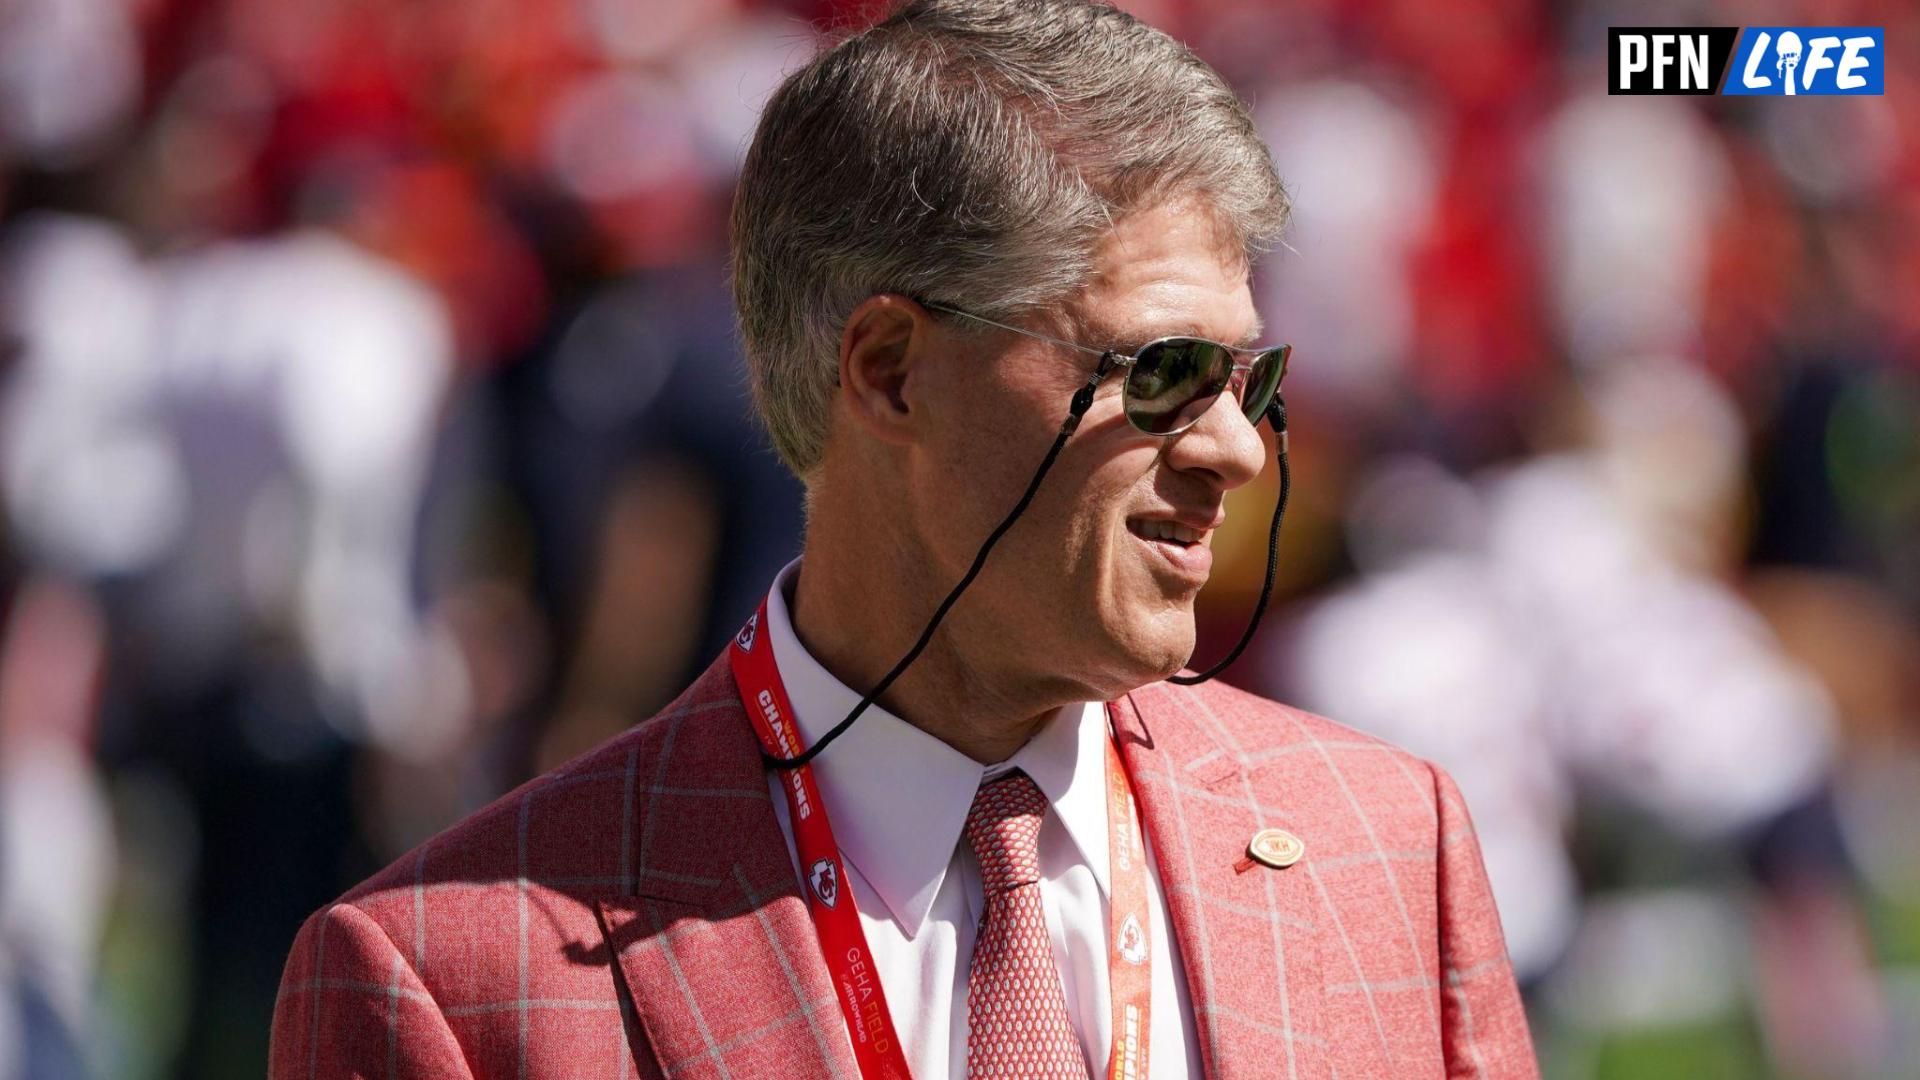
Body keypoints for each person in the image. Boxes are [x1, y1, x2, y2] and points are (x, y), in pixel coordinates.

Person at [269, 1, 1538, 1076]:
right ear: (888, 373)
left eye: (1251, 383)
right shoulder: (449, 980)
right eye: (1167, 374)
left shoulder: (1391, 844)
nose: (1240, 450)